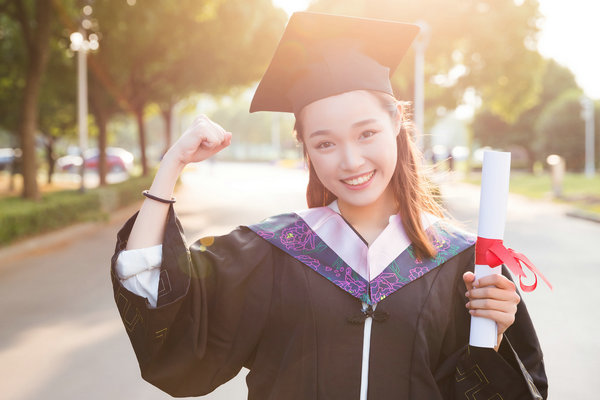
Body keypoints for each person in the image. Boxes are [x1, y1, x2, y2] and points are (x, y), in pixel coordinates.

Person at [110, 12, 547, 399]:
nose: (351, 161)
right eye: (325, 143)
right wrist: (171, 167)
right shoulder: (269, 252)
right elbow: (161, 312)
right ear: (306, 148)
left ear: (396, 121)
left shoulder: (461, 262)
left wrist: (493, 336)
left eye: (366, 133)